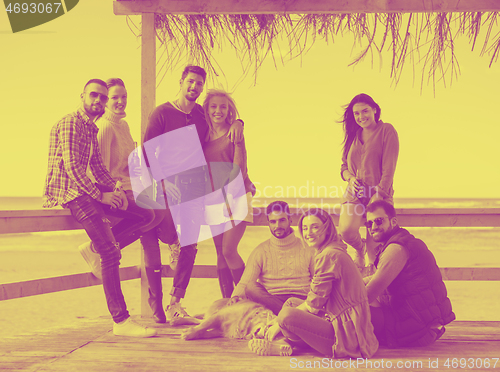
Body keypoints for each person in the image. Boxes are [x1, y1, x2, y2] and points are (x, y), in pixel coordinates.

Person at [43, 79, 156, 337]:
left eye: (103, 98)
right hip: (69, 192)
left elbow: (97, 168)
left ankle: (93, 249)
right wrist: (101, 196)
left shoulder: (91, 129)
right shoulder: (72, 123)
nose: (99, 101)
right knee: (111, 253)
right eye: (94, 95)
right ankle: (121, 320)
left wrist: (115, 189)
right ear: (82, 95)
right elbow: (72, 168)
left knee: (145, 214)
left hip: (85, 190)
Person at [141, 65, 244, 322]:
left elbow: (224, 120)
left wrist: (240, 122)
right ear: (181, 81)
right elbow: (146, 152)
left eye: (199, 84)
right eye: (190, 82)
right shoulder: (162, 113)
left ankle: (175, 303)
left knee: (191, 245)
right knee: (159, 235)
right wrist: (162, 182)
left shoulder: (201, 114)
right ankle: (156, 303)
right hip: (166, 186)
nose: (194, 87)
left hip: (193, 188)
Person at [81, 77, 168, 323]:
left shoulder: (124, 125)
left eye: (123, 97)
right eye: (114, 98)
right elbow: (102, 169)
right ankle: (98, 247)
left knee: (158, 216)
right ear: (107, 101)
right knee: (151, 215)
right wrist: (111, 194)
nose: (120, 102)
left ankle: (101, 247)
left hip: (133, 187)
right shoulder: (105, 127)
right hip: (119, 192)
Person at [249, 208, 379, 358]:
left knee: (286, 315)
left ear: (327, 228)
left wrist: (278, 323)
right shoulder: (331, 250)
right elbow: (319, 299)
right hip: (339, 320)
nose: (308, 233)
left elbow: (313, 305)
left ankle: (282, 342)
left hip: (346, 336)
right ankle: (285, 343)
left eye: (315, 227)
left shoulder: (329, 255)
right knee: (291, 303)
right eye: (305, 228)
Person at [364, 200, 455, 347]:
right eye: (369, 224)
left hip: (415, 330)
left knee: (349, 318)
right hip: (425, 325)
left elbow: (367, 295)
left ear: (393, 221)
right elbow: (379, 277)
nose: (373, 227)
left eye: (379, 221)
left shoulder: (396, 249)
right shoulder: (405, 241)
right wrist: (354, 282)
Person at [202, 89, 256, 298]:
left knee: (228, 251)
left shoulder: (235, 133)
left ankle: (244, 298)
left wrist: (229, 198)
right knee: (219, 254)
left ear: (229, 110)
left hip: (236, 197)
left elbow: (240, 169)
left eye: (223, 107)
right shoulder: (203, 135)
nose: (218, 111)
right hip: (212, 198)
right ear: (206, 109)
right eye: (213, 106)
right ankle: (228, 302)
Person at [337, 93, 399, 270]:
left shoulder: (387, 130)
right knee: (346, 230)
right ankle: (359, 249)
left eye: (365, 111)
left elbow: (389, 168)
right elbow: (343, 167)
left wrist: (378, 197)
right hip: (354, 194)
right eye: (356, 113)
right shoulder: (352, 135)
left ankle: (373, 295)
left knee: (375, 255)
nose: (361, 116)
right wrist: (350, 179)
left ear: (374, 110)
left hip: (379, 194)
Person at [231, 201, 315, 314]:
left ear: (290, 220)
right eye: (273, 222)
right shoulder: (261, 251)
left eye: (282, 220)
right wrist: (234, 297)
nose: (277, 226)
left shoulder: (307, 248)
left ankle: (289, 314)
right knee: (251, 287)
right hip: (272, 299)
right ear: (268, 223)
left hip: (301, 299)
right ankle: (292, 314)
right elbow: (245, 283)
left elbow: (318, 279)